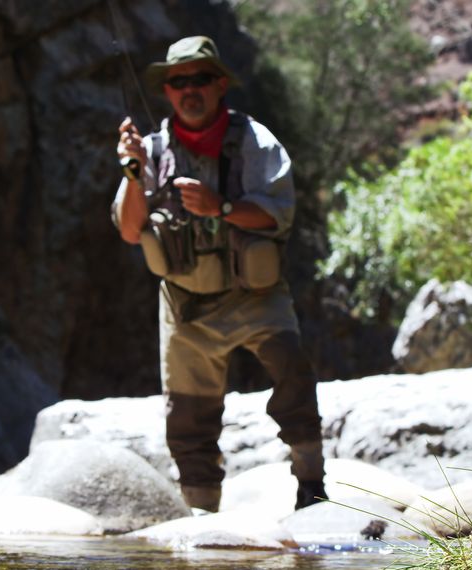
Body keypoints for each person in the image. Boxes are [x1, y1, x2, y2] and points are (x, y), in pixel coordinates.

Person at [111, 36, 327, 513]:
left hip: (254, 297)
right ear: (167, 91)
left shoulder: (256, 142)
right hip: (185, 304)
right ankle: (201, 520)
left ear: (221, 84)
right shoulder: (149, 152)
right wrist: (132, 173)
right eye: (178, 81)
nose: (190, 89)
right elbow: (130, 231)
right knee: (188, 421)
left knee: (293, 375)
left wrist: (221, 206)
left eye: (200, 79)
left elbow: (277, 217)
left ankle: (312, 487)